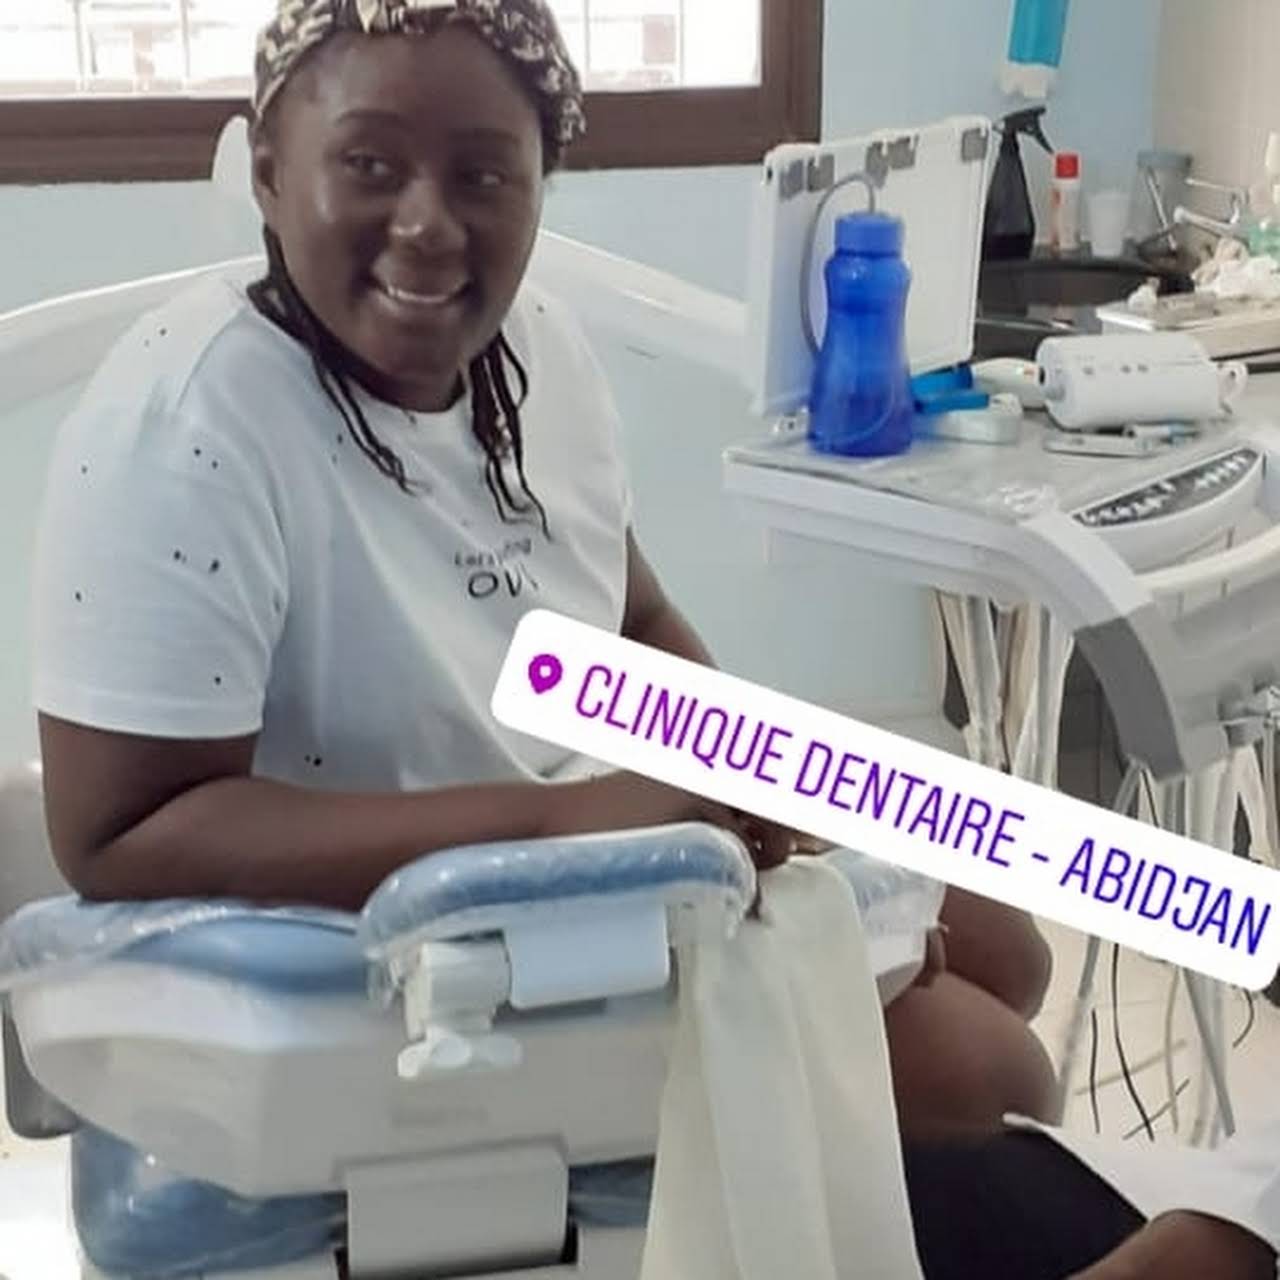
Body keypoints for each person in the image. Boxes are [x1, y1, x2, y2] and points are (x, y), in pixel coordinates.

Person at [31, 0, 1049, 1156]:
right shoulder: (187, 426)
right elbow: (120, 831)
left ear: (538, 187)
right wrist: (562, 828)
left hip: (594, 853)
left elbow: (630, 615)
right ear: (269, 172)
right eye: (368, 165)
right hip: (385, 950)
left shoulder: (532, 351)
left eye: (482, 176)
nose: (427, 225)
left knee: (1006, 946)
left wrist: (739, 791)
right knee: (991, 1078)